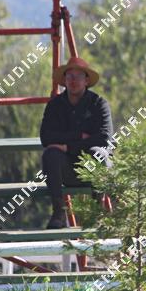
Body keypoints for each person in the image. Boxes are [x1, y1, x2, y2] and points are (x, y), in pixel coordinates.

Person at [40, 56, 113, 229]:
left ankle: (97, 213)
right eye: (69, 76)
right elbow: (46, 138)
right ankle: (58, 212)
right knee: (51, 155)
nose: (73, 81)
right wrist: (80, 136)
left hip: (93, 168)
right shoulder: (54, 105)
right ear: (64, 80)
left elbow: (104, 138)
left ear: (86, 80)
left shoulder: (99, 103)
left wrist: (67, 146)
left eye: (78, 76)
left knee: (98, 153)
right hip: (67, 170)